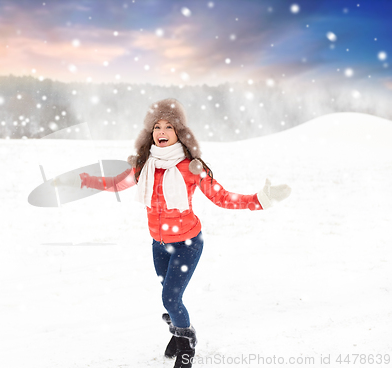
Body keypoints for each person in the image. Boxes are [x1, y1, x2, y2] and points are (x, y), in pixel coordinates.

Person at [77, 98, 292, 368]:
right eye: (157, 126)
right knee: (168, 294)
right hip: (159, 243)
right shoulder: (144, 166)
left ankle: (186, 344)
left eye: (169, 126)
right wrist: (89, 182)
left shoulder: (191, 167)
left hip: (187, 243)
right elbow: (117, 184)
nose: (162, 132)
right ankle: (176, 334)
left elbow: (222, 197)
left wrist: (260, 199)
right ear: (150, 132)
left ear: (179, 132)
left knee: (170, 297)